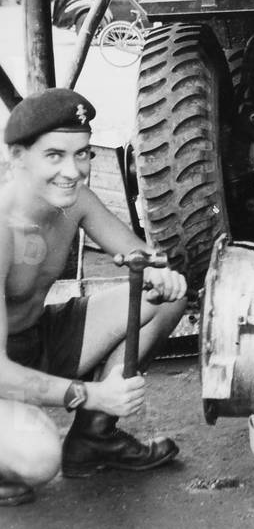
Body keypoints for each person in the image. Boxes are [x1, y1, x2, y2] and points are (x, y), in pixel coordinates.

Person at [0, 88, 187, 506]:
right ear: (18, 156)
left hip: (35, 339)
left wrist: (159, 271)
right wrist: (92, 394)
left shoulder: (74, 200)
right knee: (37, 460)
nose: (73, 171)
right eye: (54, 155)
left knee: (163, 299)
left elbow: (139, 255)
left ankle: (93, 439)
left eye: (82, 154)